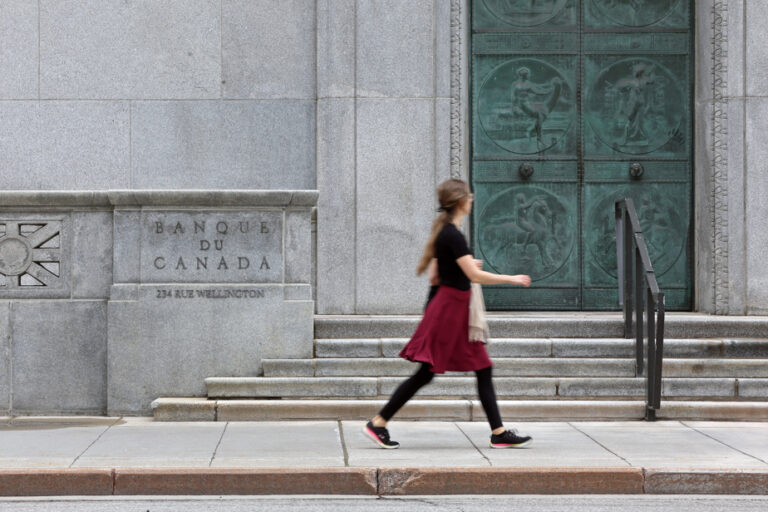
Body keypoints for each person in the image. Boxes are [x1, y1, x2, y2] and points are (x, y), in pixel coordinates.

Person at [363, 178, 533, 449]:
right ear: (461, 202)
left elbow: (435, 275)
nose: (472, 199)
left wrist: (459, 268)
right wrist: (510, 279)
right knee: (446, 371)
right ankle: (379, 422)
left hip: (450, 310)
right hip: (450, 312)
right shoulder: (452, 235)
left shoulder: (446, 232)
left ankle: (381, 422)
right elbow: (473, 275)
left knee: (457, 370)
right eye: (469, 196)